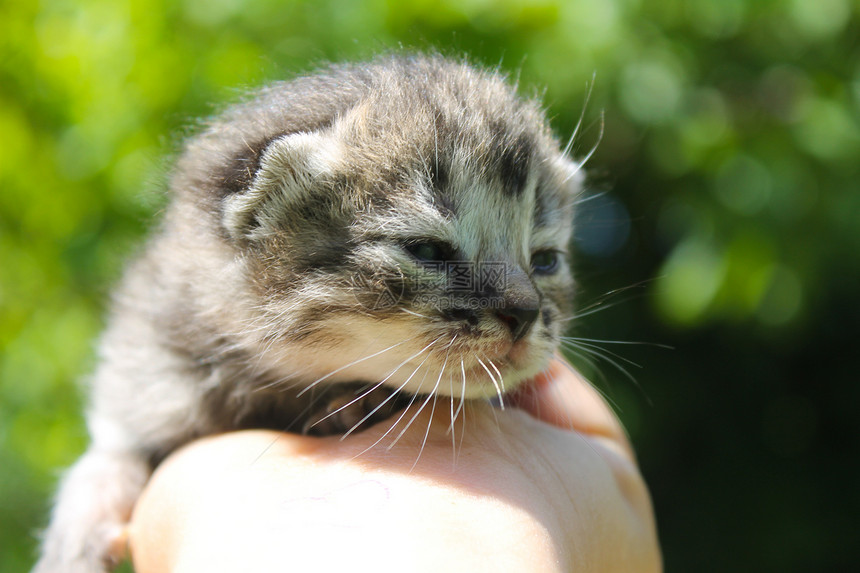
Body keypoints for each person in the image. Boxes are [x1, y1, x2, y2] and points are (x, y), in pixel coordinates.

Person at [129, 358, 662, 572]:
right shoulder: (198, 483)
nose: (518, 303)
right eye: (428, 251)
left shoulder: (201, 483)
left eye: (542, 261)